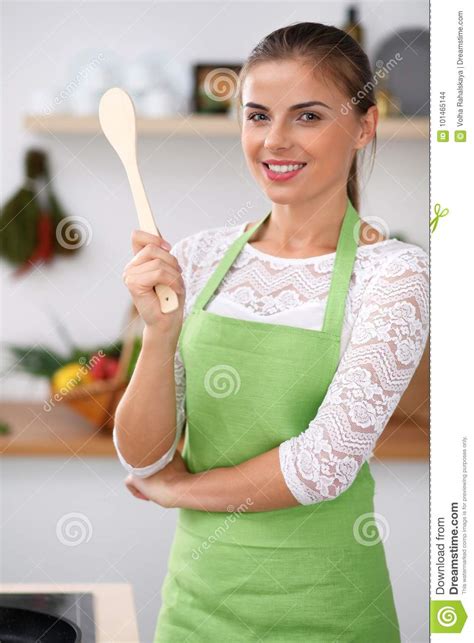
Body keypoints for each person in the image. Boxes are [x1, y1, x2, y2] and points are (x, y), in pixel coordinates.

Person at [113, 21, 429, 642]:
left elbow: (322, 467)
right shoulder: (199, 258)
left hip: (327, 613)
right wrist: (159, 332)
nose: (275, 141)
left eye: (307, 117)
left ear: (363, 126)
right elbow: (142, 454)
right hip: (194, 613)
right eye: (257, 116)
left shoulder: (395, 273)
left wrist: (177, 491)